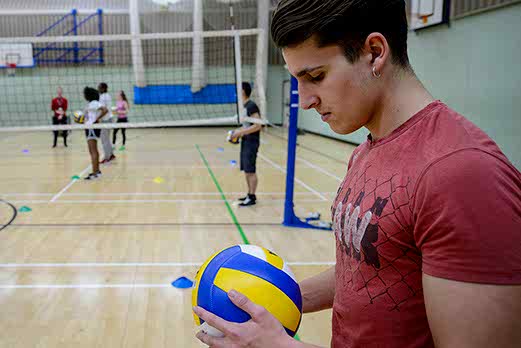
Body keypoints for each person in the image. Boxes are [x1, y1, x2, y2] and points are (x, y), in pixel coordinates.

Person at [193, 0, 521, 347]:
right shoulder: (366, 151)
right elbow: (369, 272)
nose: (304, 100)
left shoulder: (463, 174)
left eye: (315, 77)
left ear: (375, 52)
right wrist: (271, 298)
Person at [229, 82, 263, 207]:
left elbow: (258, 125)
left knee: (251, 170)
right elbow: (247, 125)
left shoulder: (251, 106)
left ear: (243, 91)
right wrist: (237, 133)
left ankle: (252, 196)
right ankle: (249, 194)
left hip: (252, 142)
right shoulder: (244, 106)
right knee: (246, 171)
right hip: (246, 141)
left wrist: (240, 133)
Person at [83, 87, 108, 180]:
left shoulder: (94, 103)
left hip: (92, 128)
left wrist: (97, 118)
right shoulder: (91, 104)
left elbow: (105, 110)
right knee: (93, 151)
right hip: (90, 127)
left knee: (93, 151)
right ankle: (97, 171)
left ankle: (94, 173)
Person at [98, 82, 115, 163]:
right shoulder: (108, 95)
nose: (98, 89)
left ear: (103, 88)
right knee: (107, 139)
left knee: (104, 139)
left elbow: (105, 110)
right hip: (110, 118)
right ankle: (111, 154)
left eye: (99, 87)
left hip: (106, 120)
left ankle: (107, 157)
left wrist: (97, 118)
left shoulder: (102, 97)